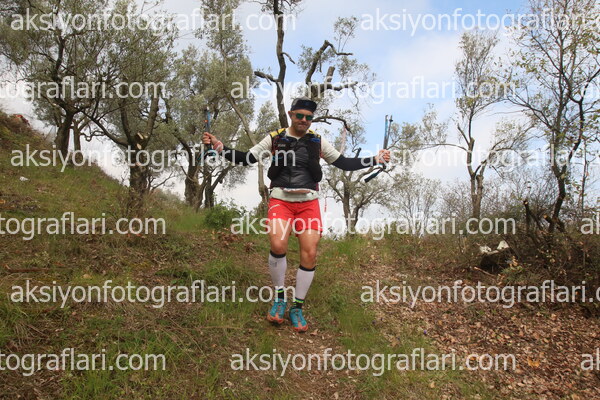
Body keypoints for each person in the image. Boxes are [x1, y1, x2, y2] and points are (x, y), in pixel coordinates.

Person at [202, 97, 390, 332]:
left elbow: (343, 162)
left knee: (309, 253)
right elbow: (246, 158)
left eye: (308, 117)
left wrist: (374, 159)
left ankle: (297, 307)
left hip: (308, 202)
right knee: (277, 244)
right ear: (291, 115)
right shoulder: (275, 137)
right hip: (281, 199)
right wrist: (219, 146)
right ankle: (280, 298)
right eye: (299, 115)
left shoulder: (317, 141)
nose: (304, 120)